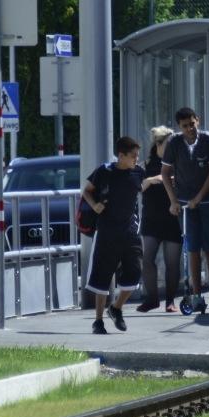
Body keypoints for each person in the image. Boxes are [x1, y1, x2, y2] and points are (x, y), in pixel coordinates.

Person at [161, 107, 209, 315]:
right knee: (193, 249)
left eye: (192, 123)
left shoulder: (207, 140)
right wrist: (173, 201)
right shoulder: (174, 143)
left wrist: (198, 198)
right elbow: (165, 172)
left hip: (206, 201)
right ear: (179, 127)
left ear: (197, 121)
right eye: (185, 126)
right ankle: (197, 296)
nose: (190, 128)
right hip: (184, 203)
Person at [82, 136, 146, 334]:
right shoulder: (105, 171)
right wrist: (95, 205)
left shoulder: (139, 172)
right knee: (102, 277)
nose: (136, 159)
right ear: (120, 155)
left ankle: (116, 308)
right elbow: (87, 191)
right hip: (107, 231)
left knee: (135, 272)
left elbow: (140, 189)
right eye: (133, 156)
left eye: (137, 156)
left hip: (130, 230)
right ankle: (98, 321)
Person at [137, 126, 182, 312]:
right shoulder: (144, 165)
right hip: (151, 218)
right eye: (168, 145)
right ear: (158, 144)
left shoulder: (177, 164)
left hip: (173, 218)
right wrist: (150, 180)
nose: (172, 149)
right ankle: (152, 298)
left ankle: (170, 301)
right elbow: (135, 188)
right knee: (147, 258)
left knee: (172, 262)